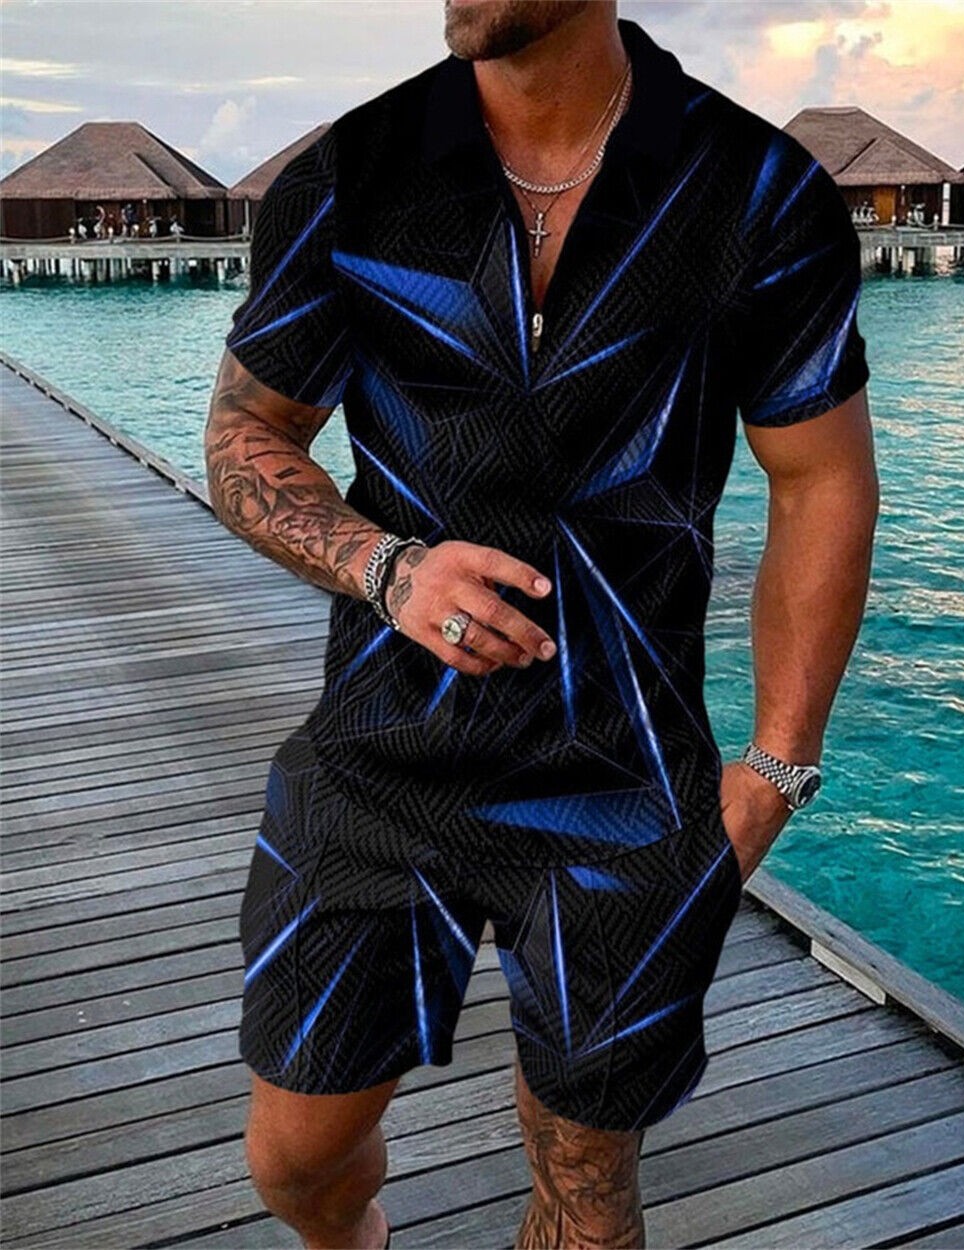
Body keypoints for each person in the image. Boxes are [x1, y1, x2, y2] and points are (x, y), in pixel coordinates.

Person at [205, 2, 878, 1247]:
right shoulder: (351, 173)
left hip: (620, 772)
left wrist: (778, 762)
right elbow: (248, 431)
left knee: (587, 1183)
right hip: (379, 758)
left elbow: (819, 477)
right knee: (295, 1160)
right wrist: (387, 568)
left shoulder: (754, 187)